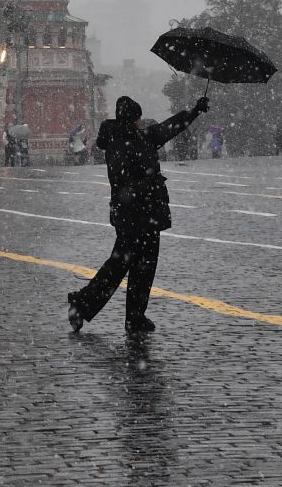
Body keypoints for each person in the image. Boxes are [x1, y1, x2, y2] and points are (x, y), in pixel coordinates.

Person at [67, 94, 208, 336]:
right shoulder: (132, 141)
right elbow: (166, 131)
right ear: (132, 120)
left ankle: (125, 314)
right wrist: (149, 182)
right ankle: (96, 306)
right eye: (138, 119)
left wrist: (194, 111)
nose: (141, 123)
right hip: (140, 213)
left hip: (134, 214)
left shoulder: (120, 140)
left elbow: (167, 128)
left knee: (130, 265)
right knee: (131, 266)